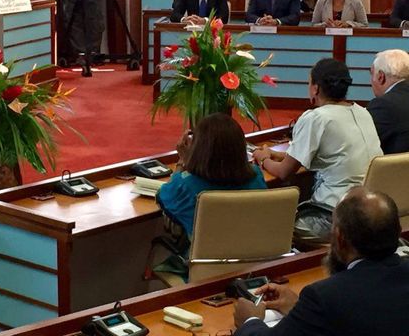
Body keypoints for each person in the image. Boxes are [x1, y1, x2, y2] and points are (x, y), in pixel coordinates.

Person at [233, 186, 409, 336]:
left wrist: (250, 319)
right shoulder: (326, 302)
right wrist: (300, 310)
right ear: (398, 231)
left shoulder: (325, 297)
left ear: (340, 239)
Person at [252, 58, 382, 245]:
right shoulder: (363, 112)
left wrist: (263, 158)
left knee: (271, 226)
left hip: (333, 217)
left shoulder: (316, 118)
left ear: (316, 88)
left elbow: (284, 172)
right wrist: (279, 155)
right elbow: (334, 154)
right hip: (370, 212)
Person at [157, 113, 267, 237]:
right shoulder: (256, 175)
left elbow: (163, 197)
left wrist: (183, 161)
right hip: (255, 253)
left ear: (199, 149)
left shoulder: (185, 186)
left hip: (206, 256)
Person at [367, 49, 409, 154]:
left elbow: (363, 142)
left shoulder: (383, 105)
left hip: (395, 168)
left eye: (372, 74)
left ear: (381, 76)